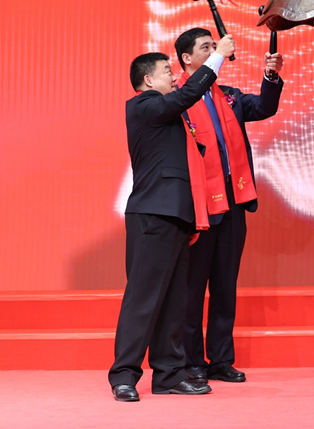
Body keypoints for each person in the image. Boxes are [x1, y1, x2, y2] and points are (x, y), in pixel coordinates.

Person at [108, 35, 234, 402]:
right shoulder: (143, 106)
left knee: (175, 301)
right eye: (167, 71)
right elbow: (186, 95)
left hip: (178, 215)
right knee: (143, 298)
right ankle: (124, 376)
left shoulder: (169, 113)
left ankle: (169, 374)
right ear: (148, 80)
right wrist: (216, 59)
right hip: (153, 214)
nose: (174, 76)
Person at [176, 28, 284, 384]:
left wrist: (270, 75)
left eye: (215, 46)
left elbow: (265, 106)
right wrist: (219, 55)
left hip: (233, 200)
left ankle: (221, 359)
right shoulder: (177, 99)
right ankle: (192, 360)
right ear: (186, 59)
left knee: (224, 285)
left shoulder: (230, 97)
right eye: (205, 48)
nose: (214, 51)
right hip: (198, 206)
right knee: (193, 289)